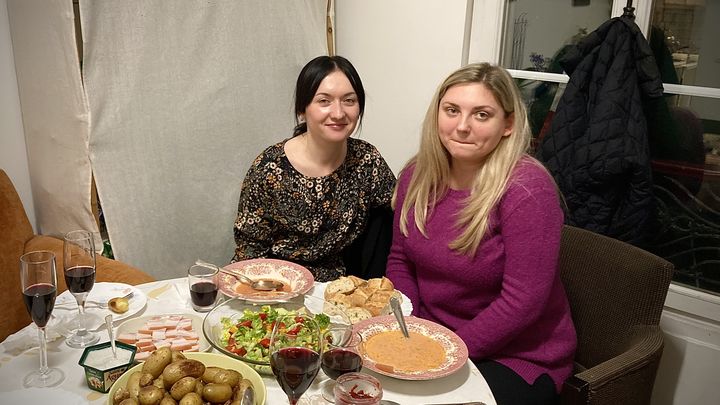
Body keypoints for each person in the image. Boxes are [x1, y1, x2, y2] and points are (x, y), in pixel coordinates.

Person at [386, 63, 576, 405]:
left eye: (481, 115)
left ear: (508, 124)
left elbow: (522, 303)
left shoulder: (527, 189)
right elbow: (400, 260)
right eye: (452, 110)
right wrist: (412, 329)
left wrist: (445, 353)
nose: (462, 126)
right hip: (432, 339)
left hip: (517, 356)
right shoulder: (417, 174)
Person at [232, 55, 396, 282]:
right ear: (303, 108)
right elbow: (249, 251)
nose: (338, 113)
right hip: (276, 287)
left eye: (349, 100)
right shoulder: (269, 167)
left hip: (339, 290)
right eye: (324, 101)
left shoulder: (366, 161)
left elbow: (402, 212)